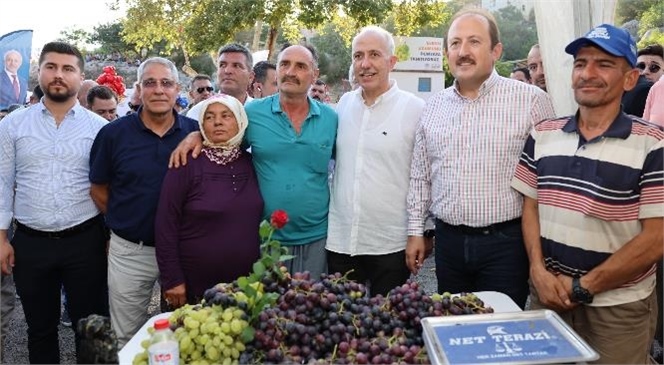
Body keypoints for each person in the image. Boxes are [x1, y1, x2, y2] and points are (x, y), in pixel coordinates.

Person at [511, 23, 662, 363]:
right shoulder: (543, 134)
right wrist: (537, 270)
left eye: (603, 64)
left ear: (629, 79)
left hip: (617, 310)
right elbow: (530, 207)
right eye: (580, 63)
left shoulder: (654, 143)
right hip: (547, 297)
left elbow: (657, 238)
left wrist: (585, 285)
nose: (587, 73)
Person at [406, 7, 556, 309]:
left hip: (506, 244)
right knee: (457, 326)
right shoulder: (432, 108)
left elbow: (549, 178)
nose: (463, 51)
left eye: (474, 42)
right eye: (455, 43)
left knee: (501, 330)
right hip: (449, 244)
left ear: (496, 50)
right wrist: (415, 232)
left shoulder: (531, 101)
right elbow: (421, 175)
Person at [172, 44, 338, 279]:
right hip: (264, 238)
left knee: (310, 309)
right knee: (268, 311)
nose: (291, 72)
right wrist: (197, 134)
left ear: (315, 74)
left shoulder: (331, 118)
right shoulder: (252, 114)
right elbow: (224, 144)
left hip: (317, 238)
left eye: (301, 66)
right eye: (284, 64)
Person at [0, 41, 109, 364]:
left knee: (91, 330)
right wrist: (2, 238)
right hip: (31, 244)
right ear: (40, 71)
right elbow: (2, 183)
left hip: (85, 240)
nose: (58, 75)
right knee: (40, 329)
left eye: (67, 69)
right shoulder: (12, 125)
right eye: (51, 67)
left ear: (80, 76)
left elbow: (109, 187)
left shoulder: (100, 129)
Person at [89, 57, 199, 348]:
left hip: (184, 250)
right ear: (138, 90)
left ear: (178, 89)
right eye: (150, 83)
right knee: (127, 337)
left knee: (185, 333)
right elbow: (98, 189)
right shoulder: (113, 134)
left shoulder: (196, 133)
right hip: (131, 252)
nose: (159, 90)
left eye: (166, 83)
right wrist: (124, 222)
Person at [326, 26, 426, 296]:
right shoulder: (343, 105)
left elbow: (424, 177)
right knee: (341, 326)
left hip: (390, 244)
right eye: (358, 56)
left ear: (392, 62)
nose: (365, 64)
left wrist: (421, 233)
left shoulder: (415, 109)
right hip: (341, 242)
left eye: (374, 55)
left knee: (386, 327)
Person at [155, 95, 263, 307]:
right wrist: (172, 278)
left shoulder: (251, 164)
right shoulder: (186, 162)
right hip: (193, 285)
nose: (218, 122)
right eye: (209, 117)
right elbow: (165, 223)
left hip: (246, 285)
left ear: (241, 121)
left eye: (226, 116)